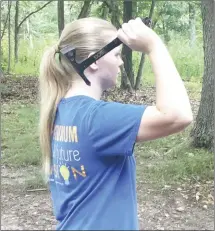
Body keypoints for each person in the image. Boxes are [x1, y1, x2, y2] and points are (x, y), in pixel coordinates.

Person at [38, 17, 193, 230]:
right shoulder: (96, 118)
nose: (121, 62)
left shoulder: (61, 110)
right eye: (117, 54)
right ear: (94, 61)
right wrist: (154, 46)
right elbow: (179, 115)